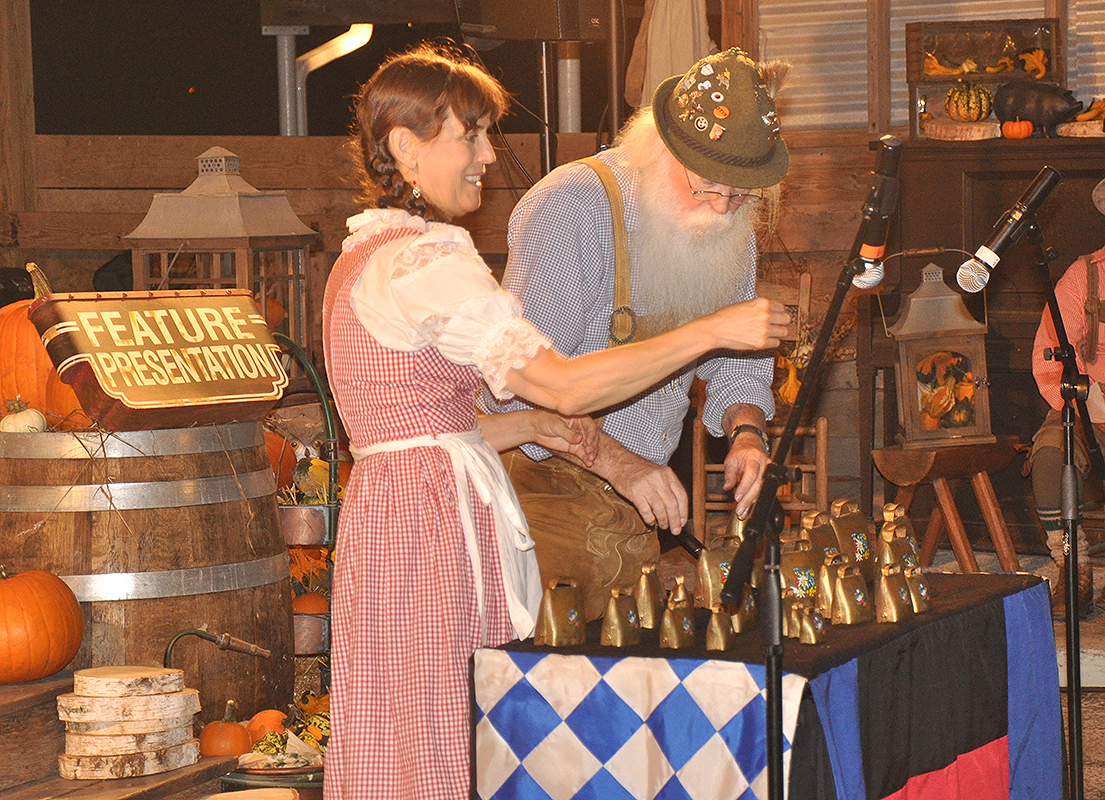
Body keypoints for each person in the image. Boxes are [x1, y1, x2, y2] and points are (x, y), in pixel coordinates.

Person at [321, 43, 789, 800]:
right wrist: (708, 332)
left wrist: (741, 426)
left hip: (409, 507)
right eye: (468, 136)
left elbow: (442, 422)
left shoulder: (373, 249)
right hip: (439, 522)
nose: (486, 157)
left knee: (417, 733)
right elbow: (560, 388)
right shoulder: (437, 257)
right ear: (406, 146)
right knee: (448, 737)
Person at [479, 47, 789, 621]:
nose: (723, 208)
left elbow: (735, 362)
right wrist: (620, 465)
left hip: (629, 500)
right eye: (706, 187)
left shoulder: (728, 223)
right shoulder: (571, 208)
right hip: (539, 487)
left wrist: (746, 435)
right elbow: (523, 388)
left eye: (740, 194)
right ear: (661, 147)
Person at [1030, 177, 1105, 620]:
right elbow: (1048, 352)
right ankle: (1073, 568)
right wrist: (1082, 399)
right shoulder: (1086, 275)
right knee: (1049, 455)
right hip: (1087, 407)